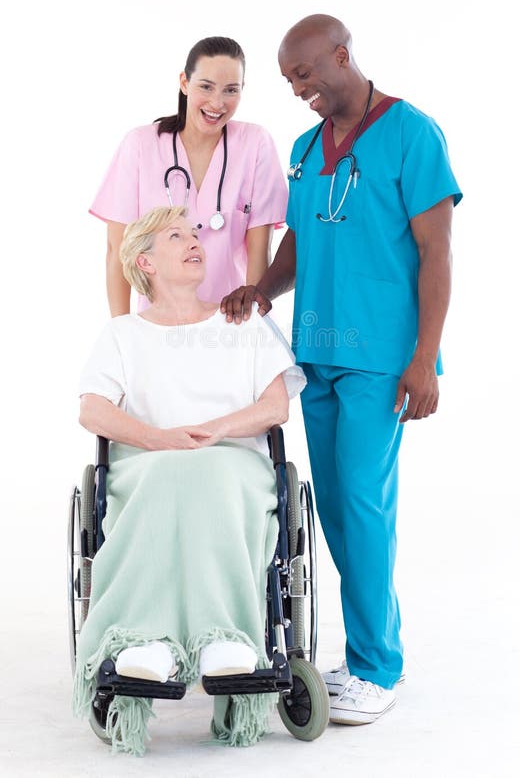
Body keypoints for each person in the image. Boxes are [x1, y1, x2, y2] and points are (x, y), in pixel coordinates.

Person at [221, 14, 462, 726]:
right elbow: (303, 232)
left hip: (381, 360)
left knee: (362, 505)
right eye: (290, 81)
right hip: (317, 352)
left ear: (342, 55)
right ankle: (362, 657)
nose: (299, 89)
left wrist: (424, 358)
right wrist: (263, 289)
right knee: (334, 511)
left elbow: (437, 253)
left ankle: (377, 667)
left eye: (306, 73)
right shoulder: (306, 146)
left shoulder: (412, 133)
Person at [73, 205, 305, 755]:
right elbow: (92, 410)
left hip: (234, 467)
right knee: (169, 477)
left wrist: (213, 430)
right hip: (148, 466)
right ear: (145, 261)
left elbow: (276, 406)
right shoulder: (122, 334)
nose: (195, 241)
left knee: (207, 474)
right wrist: (159, 439)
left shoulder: (243, 322)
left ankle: (223, 637)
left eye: (196, 232)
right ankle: (146, 639)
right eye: (176, 236)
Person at [90, 36, 288, 315]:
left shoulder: (255, 144)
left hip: (229, 324)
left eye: (231, 90)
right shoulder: (140, 145)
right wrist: (122, 333)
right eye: (206, 87)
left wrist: (250, 326)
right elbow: (117, 251)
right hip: (157, 325)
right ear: (184, 82)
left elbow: (260, 250)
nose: (217, 103)